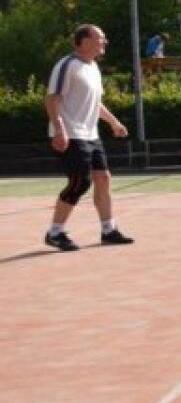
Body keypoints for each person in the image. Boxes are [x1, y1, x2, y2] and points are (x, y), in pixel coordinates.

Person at [43, 25, 134, 252]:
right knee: (80, 182)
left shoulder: (93, 67)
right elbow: (52, 99)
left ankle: (108, 230)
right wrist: (59, 130)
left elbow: (95, 103)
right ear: (84, 41)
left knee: (103, 178)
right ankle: (55, 233)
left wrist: (114, 122)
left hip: (91, 134)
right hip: (71, 134)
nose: (105, 42)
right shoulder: (67, 65)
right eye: (100, 38)